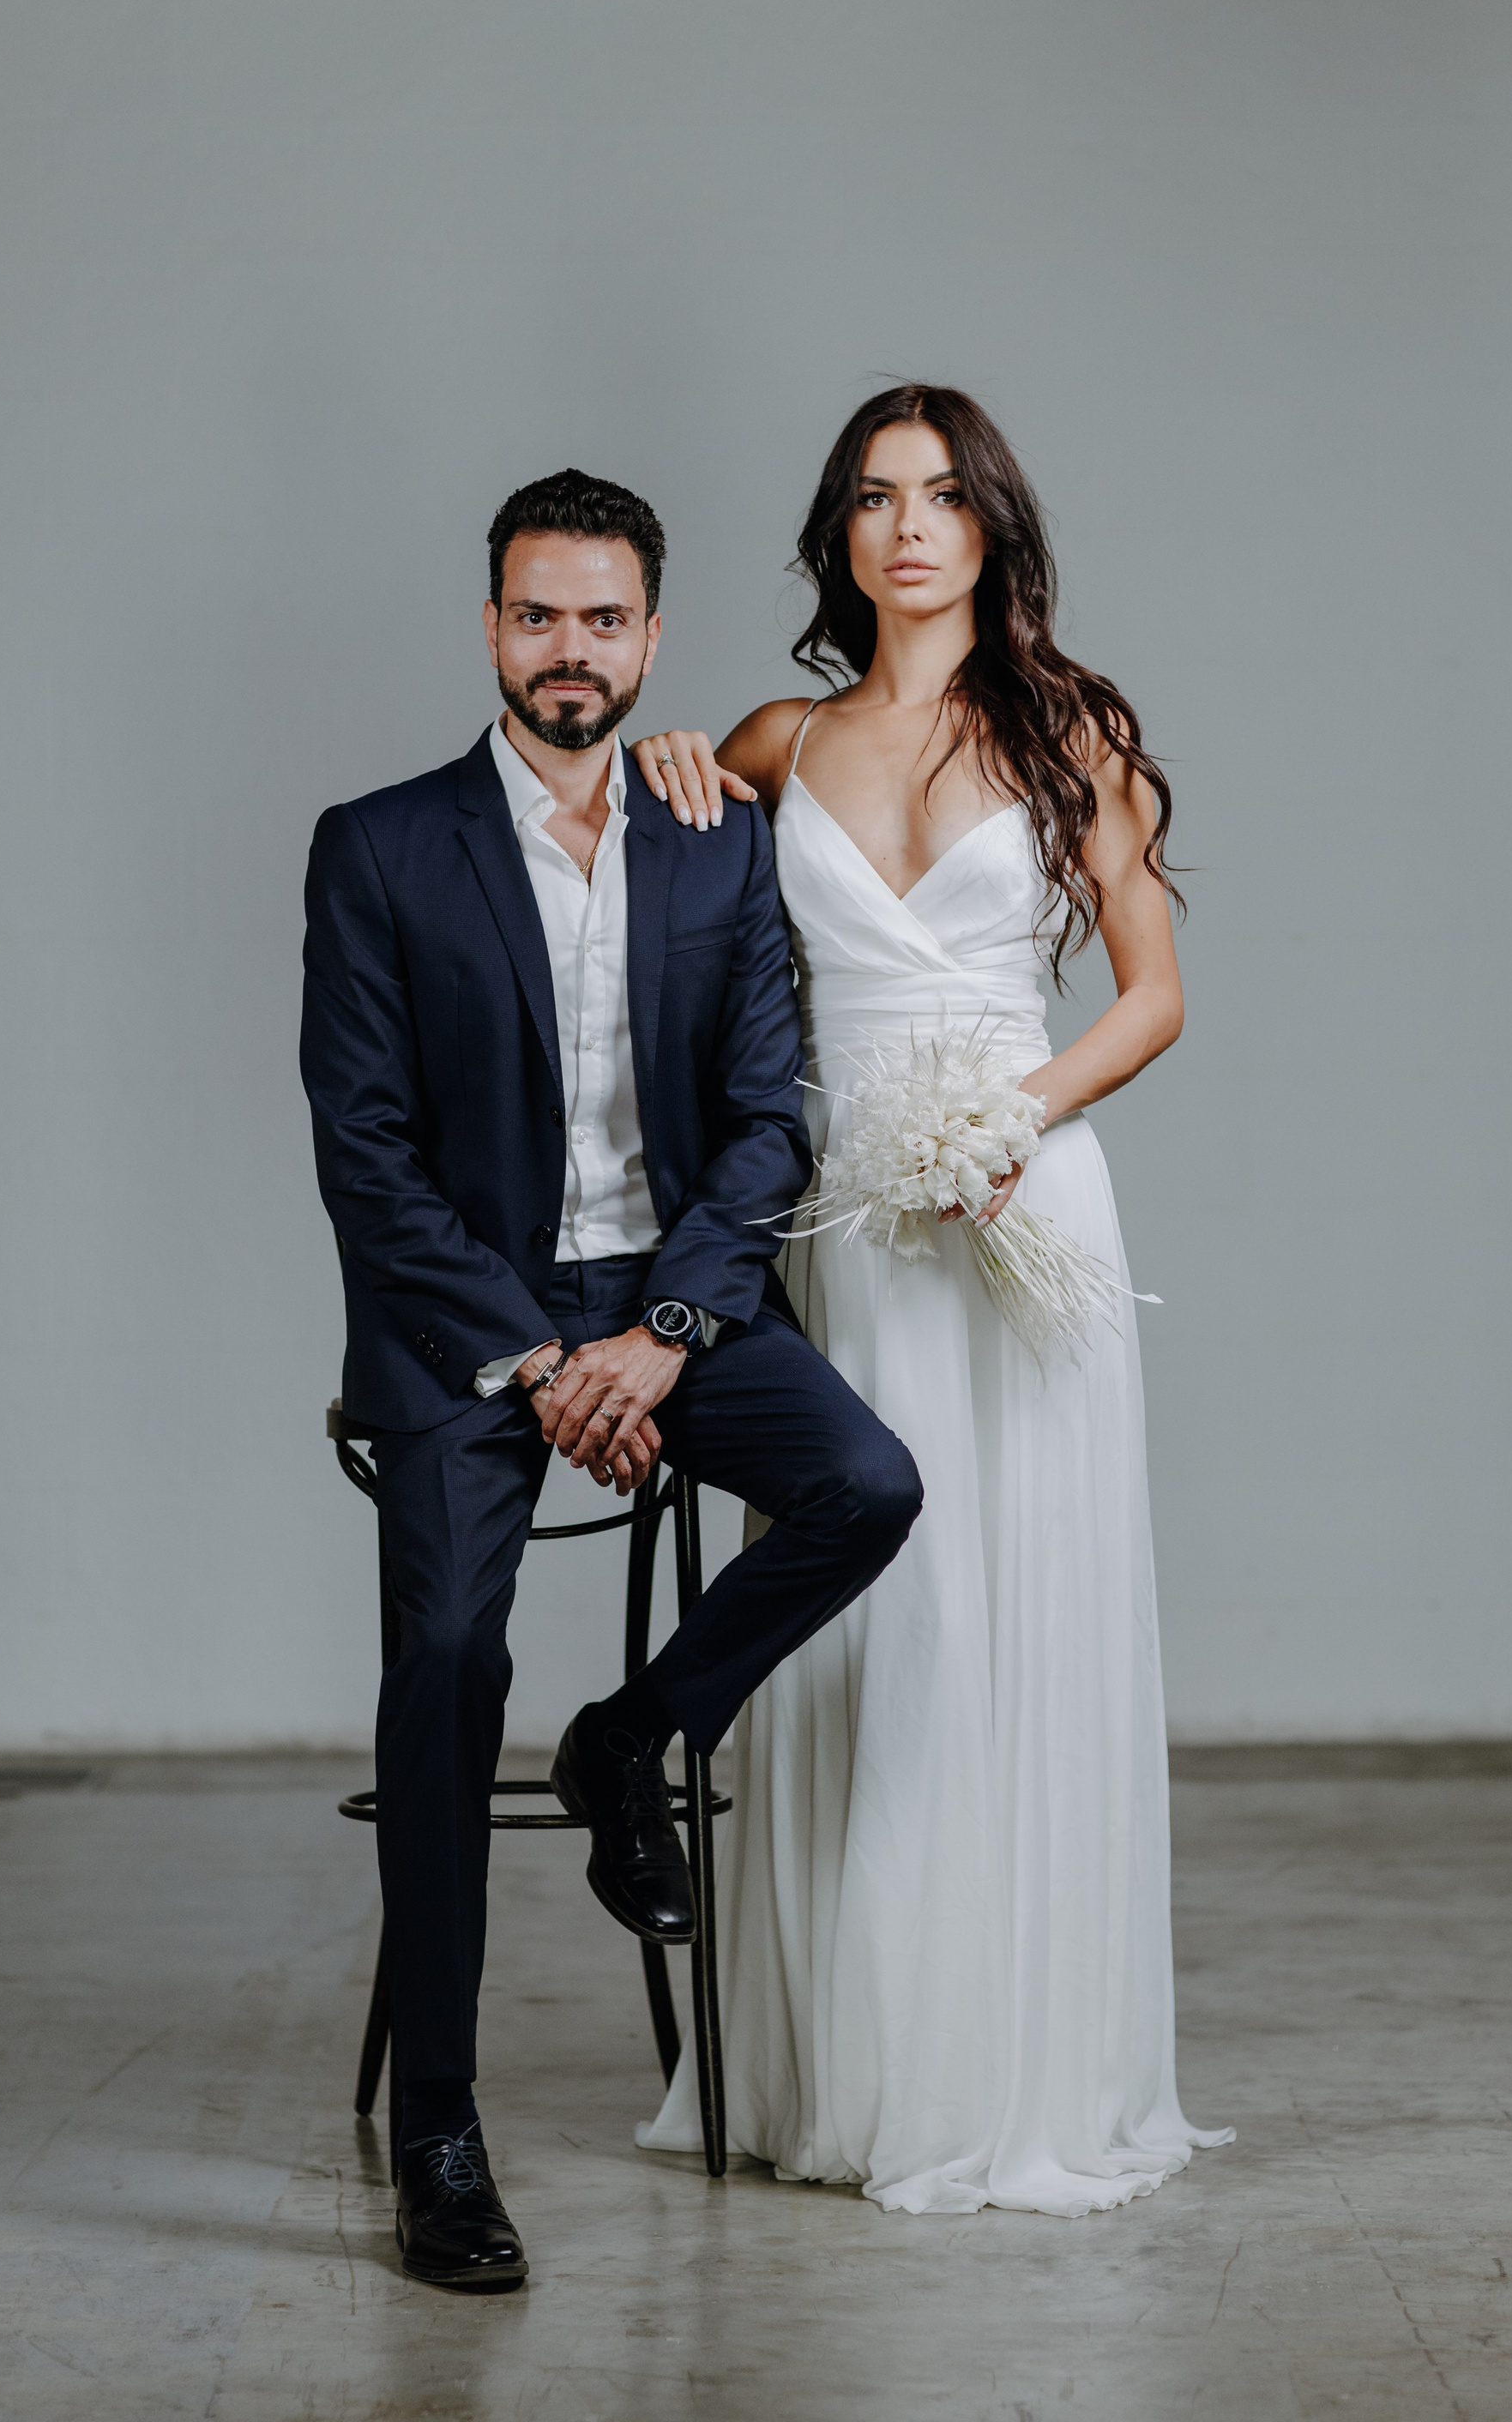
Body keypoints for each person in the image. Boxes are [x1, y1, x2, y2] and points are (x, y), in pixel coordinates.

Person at [299, 468, 922, 2289]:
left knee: (865, 1485)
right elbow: (367, 1156)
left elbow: (770, 1123)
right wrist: (538, 1357)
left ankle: (630, 1732)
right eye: (536, 615)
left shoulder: (720, 835)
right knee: (445, 1653)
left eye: (602, 618)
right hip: (462, 1329)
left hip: (671, 1305)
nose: (568, 649)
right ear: (491, 627)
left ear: (652, 634)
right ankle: (441, 2128)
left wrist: (660, 1337)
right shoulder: (380, 846)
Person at [631, 387, 1232, 2215]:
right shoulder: (781, 736)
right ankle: (851, 2066)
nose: (910, 526)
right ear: (843, 531)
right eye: (878, 497)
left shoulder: (1071, 729)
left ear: (990, 527)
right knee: (868, 1617)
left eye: (943, 494)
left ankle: (1017, 2068)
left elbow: (1151, 995)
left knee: (1016, 1603)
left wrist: (1009, 1121)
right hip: (841, 1229)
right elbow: (666, 928)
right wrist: (673, 765)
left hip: (1016, 1207)